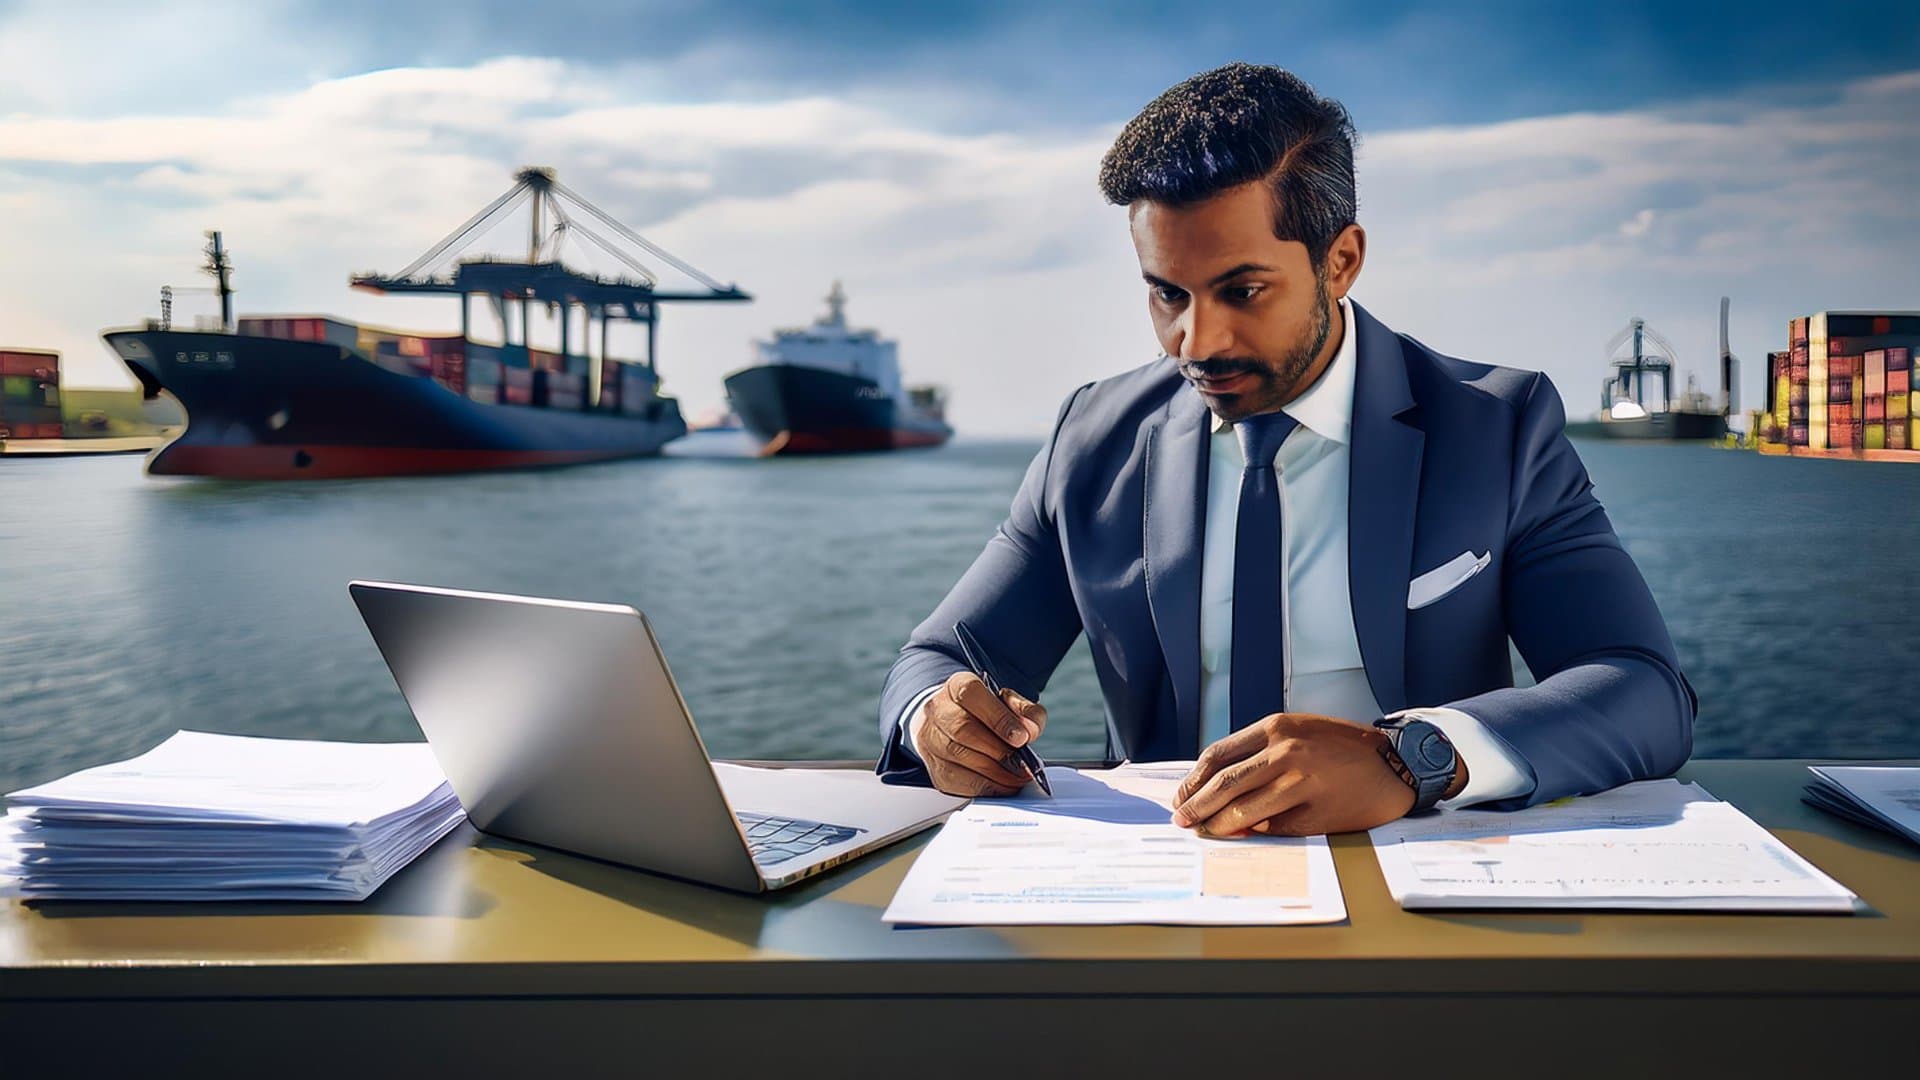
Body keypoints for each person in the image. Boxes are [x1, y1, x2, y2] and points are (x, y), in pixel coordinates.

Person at [875, 63, 1695, 838]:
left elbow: (1644, 690)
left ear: (1341, 261)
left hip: (1423, 882)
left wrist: (1408, 759)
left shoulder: (1497, 428)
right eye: (1168, 294)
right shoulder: (1091, 440)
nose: (1195, 341)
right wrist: (939, 722)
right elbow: (938, 659)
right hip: (1158, 882)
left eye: (1242, 290)